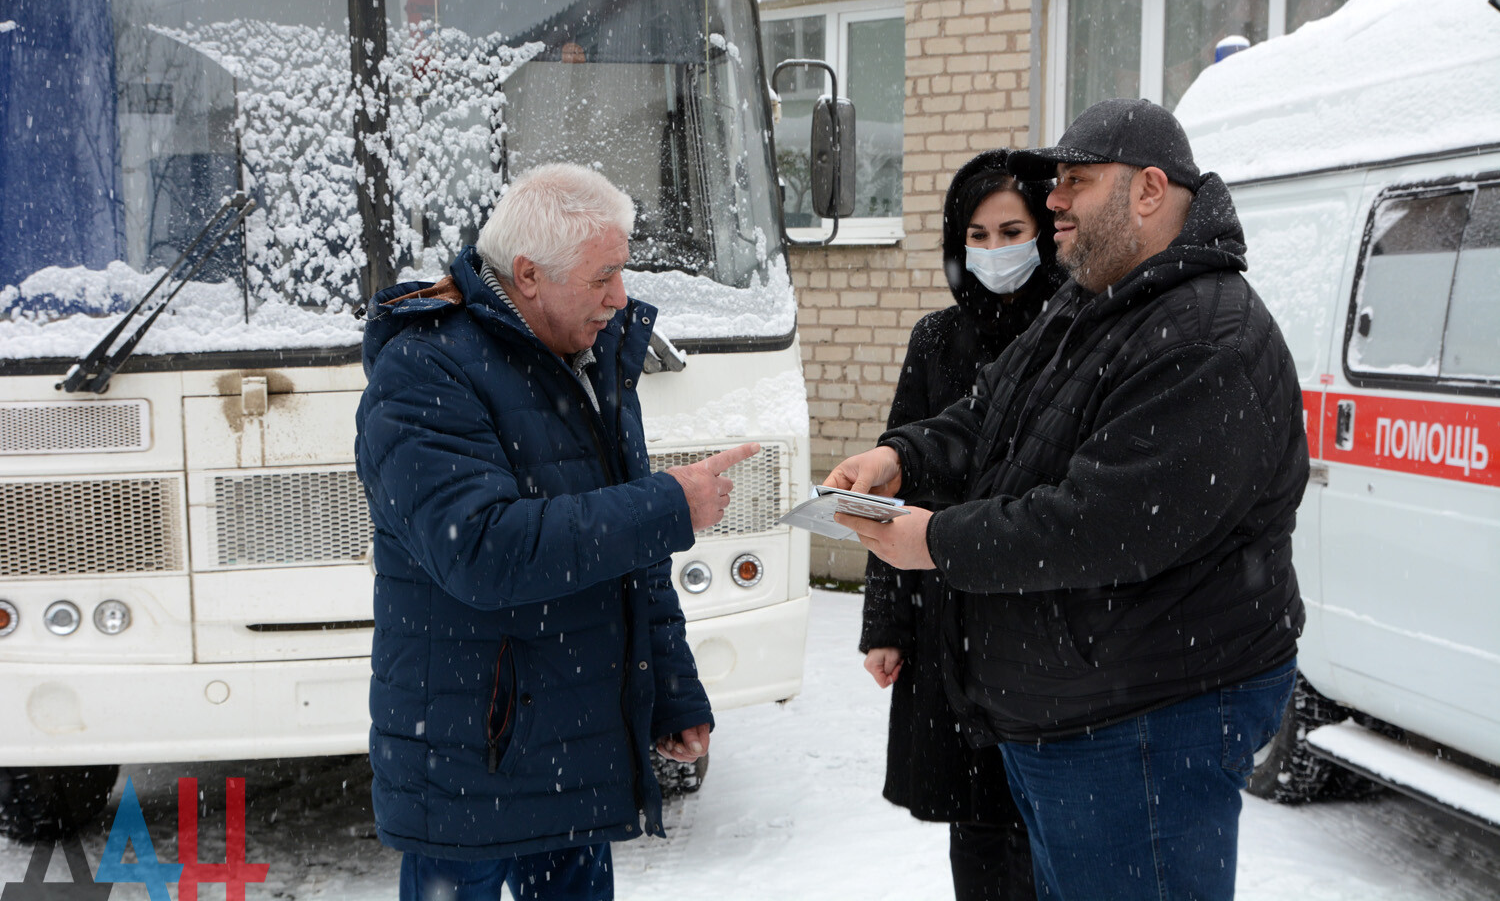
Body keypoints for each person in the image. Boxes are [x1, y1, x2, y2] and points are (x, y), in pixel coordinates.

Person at [828, 99, 1307, 901]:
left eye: (1075, 182)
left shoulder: (1204, 335)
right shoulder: (1099, 296)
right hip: (1084, 718)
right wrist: (901, 456)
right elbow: (996, 410)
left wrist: (935, 542)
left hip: (1148, 722)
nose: (1053, 201)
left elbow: (1098, 524)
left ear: (1149, 190)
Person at [355, 162, 757, 901]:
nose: (620, 297)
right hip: (474, 773)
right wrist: (670, 504)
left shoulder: (587, 359)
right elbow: (481, 551)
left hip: (578, 758)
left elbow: (631, 559)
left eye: (623, 271)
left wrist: (672, 692)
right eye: (602, 276)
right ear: (529, 275)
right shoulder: (423, 369)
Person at [859, 150, 1062, 901]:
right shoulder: (937, 339)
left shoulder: (1075, 334)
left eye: (1012, 230)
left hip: (1043, 611)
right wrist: (887, 623)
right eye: (976, 235)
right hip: (947, 609)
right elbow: (894, 477)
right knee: (976, 825)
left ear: (1045, 231)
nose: (994, 250)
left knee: (1046, 822)